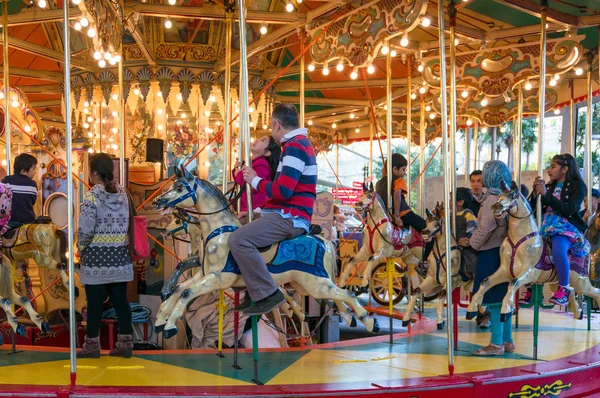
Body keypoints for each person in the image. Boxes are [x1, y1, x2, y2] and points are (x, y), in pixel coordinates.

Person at [228, 103, 317, 316]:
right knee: (235, 227)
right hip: (288, 213)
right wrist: (258, 212)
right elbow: (284, 195)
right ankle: (253, 288)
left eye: (270, 126)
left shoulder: (295, 146)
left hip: (292, 217)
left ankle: (267, 292)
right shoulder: (297, 145)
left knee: (238, 239)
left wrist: (254, 180)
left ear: (277, 125)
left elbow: (283, 191)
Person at [77, 153, 134, 359]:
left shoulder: (92, 197)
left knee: (94, 304)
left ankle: (92, 346)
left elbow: (85, 229)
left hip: (96, 258)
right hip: (119, 256)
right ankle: (125, 343)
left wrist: (80, 246)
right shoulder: (124, 195)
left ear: (93, 173)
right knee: (121, 302)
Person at [459, 160, 513, 356]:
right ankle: (507, 340)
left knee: (494, 298)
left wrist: (471, 243)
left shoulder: (491, 199)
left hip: (491, 251)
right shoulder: (502, 196)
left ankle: (496, 343)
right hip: (501, 250)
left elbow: (486, 227)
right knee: (502, 296)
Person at [530, 153, 590, 306]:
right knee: (529, 249)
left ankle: (564, 287)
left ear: (564, 169)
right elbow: (532, 209)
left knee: (558, 249)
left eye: (553, 167)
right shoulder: (549, 186)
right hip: (545, 225)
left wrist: (546, 194)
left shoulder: (578, 186)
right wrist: (535, 193)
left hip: (565, 226)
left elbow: (570, 210)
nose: (549, 170)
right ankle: (531, 287)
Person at [232, 135, 281, 225]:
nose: (257, 140)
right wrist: (236, 170)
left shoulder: (262, 164)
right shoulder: (252, 162)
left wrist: (238, 174)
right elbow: (242, 182)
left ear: (267, 152)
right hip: (246, 205)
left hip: (253, 206)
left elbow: (253, 186)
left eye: (262, 140)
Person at [2, 153, 38, 229]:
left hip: (10, 220)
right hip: (28, 221)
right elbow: (33, 201)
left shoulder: (7, 180)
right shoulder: (32, 185)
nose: (35, 172)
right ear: (24, 171)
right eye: (34, 169)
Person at [455, 188, 478, 280]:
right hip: (454, 244)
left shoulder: (467, 214)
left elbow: (473, 229)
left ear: (460, 202)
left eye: (451, 199)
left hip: (464, 245)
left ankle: (473, 276)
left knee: (471, 258)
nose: (449, 201)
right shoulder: (451, 215)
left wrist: (467, 239)